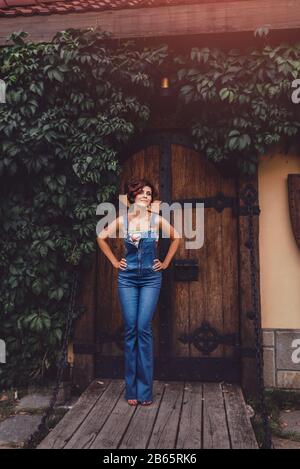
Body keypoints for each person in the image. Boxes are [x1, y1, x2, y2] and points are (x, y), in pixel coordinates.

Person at [97, 177, 180, 406]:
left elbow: (177, 238)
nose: (146, 196)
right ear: (133, 196)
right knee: (131, 329)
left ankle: (145, 391)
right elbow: (101, 237)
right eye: (142, 193)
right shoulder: (123, 221)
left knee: (143, 328)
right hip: (127, 279)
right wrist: (115, 262)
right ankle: (131, 390)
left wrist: (164, 263)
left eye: (149, 194)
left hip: (151, 279)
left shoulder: (156, 220)